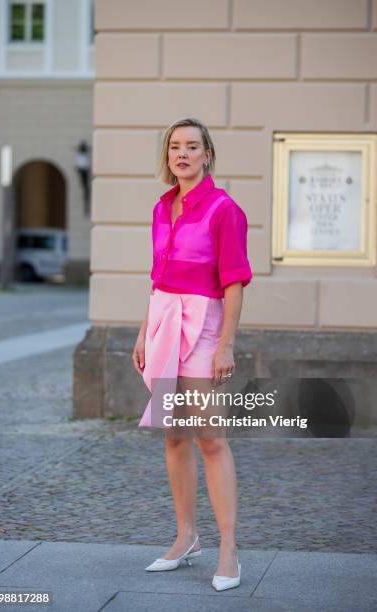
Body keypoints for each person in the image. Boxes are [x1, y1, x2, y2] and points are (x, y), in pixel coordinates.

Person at [132, 117, 252, 591]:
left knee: (211, 437)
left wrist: (226, 344)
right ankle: (186, 537)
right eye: (175, 147)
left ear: (207, 155)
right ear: (168, 156)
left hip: (204, 330)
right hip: (164, 326)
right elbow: (157, 280)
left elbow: (235, 282)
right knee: (174, 437)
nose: (182, 154)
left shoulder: (225, 210)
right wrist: (143, 333)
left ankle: (229, 548)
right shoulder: (162, 208)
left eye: (192, 147)